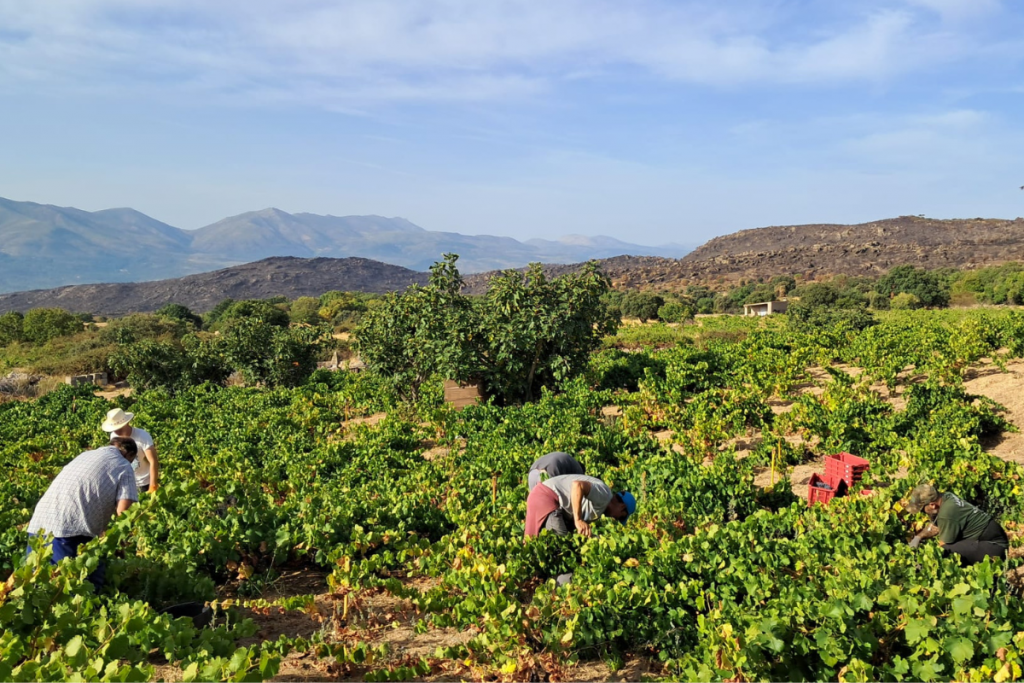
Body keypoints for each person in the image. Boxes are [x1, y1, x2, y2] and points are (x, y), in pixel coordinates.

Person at [25, 437, 139, 590]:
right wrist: (120, 541)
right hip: (69, 530)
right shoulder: (124, 466)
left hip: (39, 524)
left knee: (36, 589)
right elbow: (124, 513)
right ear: (130, 455)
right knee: (77, 590)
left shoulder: (85, 455)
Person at [906, 484, 1008, 565]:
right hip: (992, 538)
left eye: (923, 510)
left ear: (932, 505)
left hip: (994, 546)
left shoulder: (946, 513)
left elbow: (943, 544)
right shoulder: (946, 497)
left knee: (943, 553)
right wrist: (918, 537)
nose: (924, 513)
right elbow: (934, 527)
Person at [525, 473, 636, 538]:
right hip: (546, 497)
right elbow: (577, 485)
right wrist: (578, 520)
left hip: (541, 497)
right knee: (561, 544)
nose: (616, 519)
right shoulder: (605, 495)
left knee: (534, 542)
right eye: (621, 516)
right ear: (622, 507)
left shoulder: (600, 508)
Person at [102, 407, 159, 492]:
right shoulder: (113, 436)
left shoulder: (142, 436)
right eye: (115, 429)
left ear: (127, 423)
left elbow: (153, 461)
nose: (117, 432)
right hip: (125, 482)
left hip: (144, 482)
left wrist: (153, 485)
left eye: (119, 428)